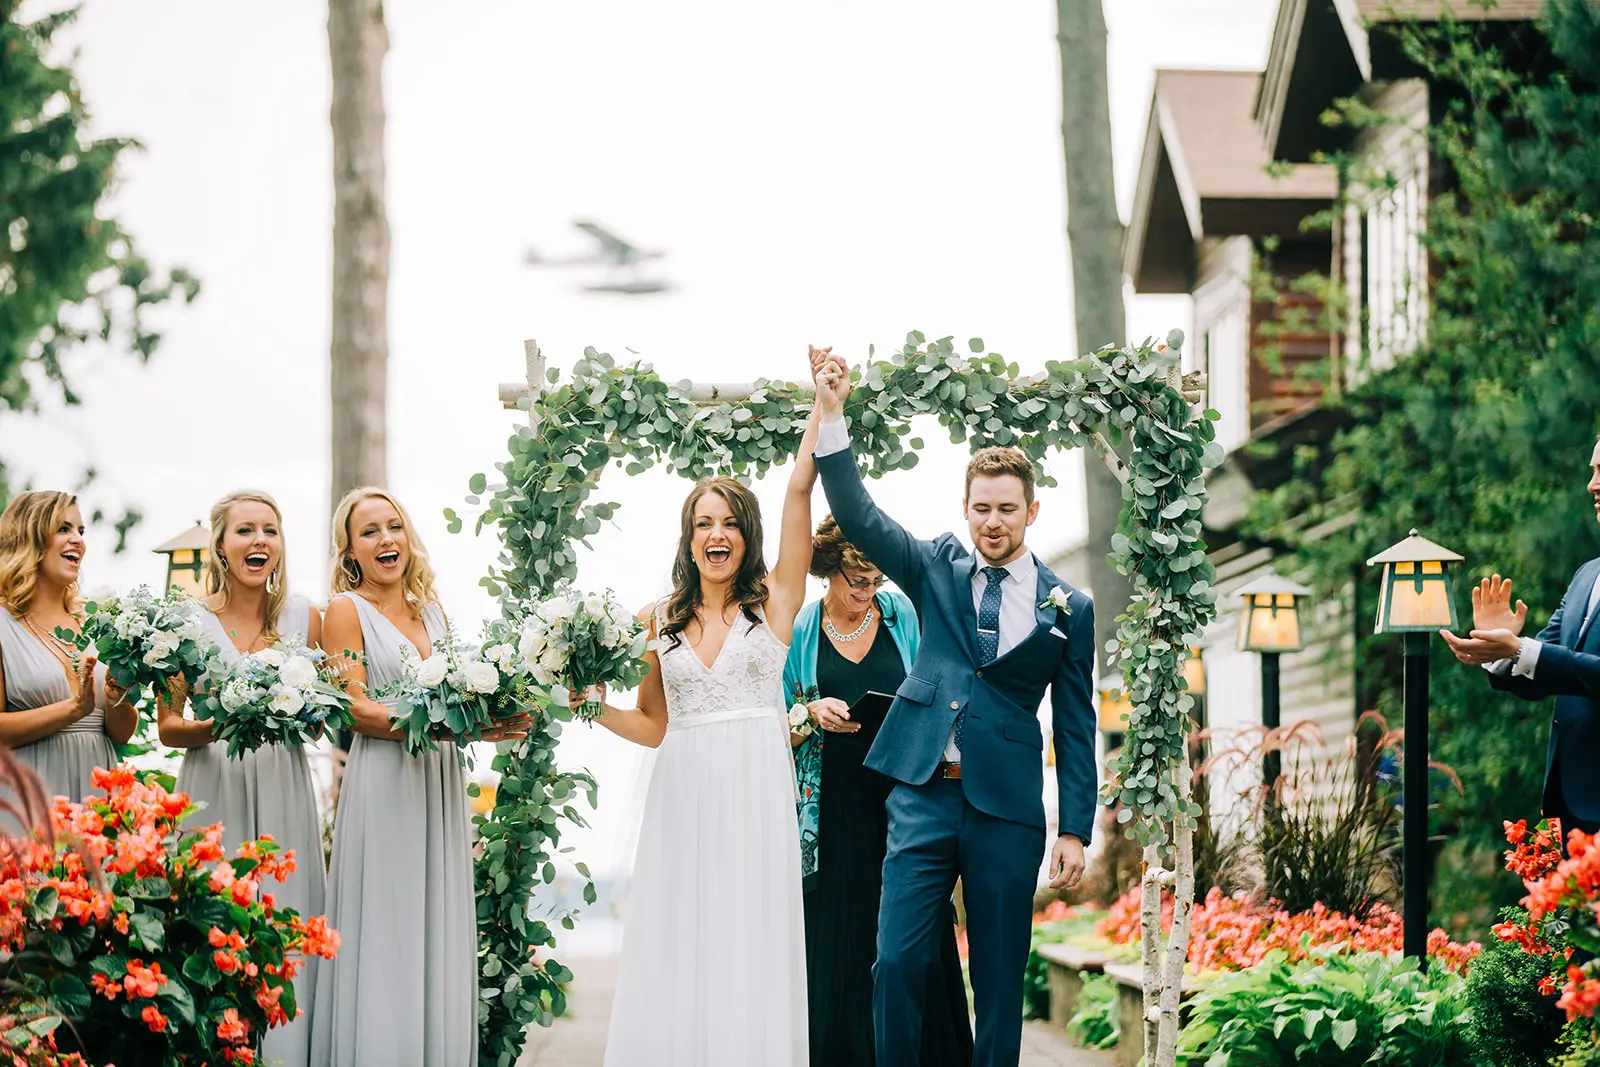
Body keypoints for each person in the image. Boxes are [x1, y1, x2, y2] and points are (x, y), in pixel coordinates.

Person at [809, 351, 1097, 1067]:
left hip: (1006, 808)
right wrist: (834, 416)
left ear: (1032, 510)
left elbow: (1076, 722)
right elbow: (860, 516)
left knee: (998, 982)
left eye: (1006, 508)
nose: (992, 520)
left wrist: (1076, 829)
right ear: (965, 509)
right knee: (897, 963)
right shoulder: (935, 564)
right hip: (921, 795)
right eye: (981, 507)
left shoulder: (1071, 607)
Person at [581, 379, 825, 1067]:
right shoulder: (654, 620)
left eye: (728, 523)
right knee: (682, 934)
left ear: (746, 535)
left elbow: (800, 494)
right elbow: (655, 723)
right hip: (683, 793)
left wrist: (821, 411)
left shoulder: (775, 601)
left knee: (749, 935)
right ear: (688, 539)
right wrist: (592, 706)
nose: (715, 534)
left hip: (754, 791)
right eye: (702, 523)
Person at [309, 488, 528, 1067]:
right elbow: (351, 708)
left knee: (434, 924)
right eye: (371, 531)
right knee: (386, 924)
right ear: (350, 549)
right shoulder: (344, 610)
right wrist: (444, 730)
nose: (387, 540)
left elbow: (457, 706)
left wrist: (490, 724)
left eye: (395, 526)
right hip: (383, 781)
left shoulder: (434, 614)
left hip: (437, 780)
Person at [785, 516, 972, 1067]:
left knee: (915, 938)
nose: (866, 592)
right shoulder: (799, 630)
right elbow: (778, 718)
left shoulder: (901, 615)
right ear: (829, 571)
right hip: (833, 810)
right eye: (855, 581)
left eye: (874, 582)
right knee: (842, 941)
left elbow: (933, 689)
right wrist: (811, 712)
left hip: (903, 802)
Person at [156, 489, 325, 1067]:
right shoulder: (185, 621)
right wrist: (224, 723)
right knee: (212, 928)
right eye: (246, 531)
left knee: (286, 923)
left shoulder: (306, 616)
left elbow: (330, 711)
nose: (260, 542)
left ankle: (286, 1054)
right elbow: (169, 729)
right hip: (213, 784)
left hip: (282, 779)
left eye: (270, 531)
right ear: (221, 546)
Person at [1442, 436, 1600, 836]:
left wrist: (1520, 648)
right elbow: (1541, 668)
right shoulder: (1587, 576)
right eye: (1592, 472)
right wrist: (1498, 648)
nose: (1592, 485)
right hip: (1573, 808)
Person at [0, 491, 136, 799]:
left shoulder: (96, 624)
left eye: (81, 531)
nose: (78, 540)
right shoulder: (3, 624)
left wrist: (120, 699)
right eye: (63, 529)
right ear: (28, 538)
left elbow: (121, 733)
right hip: (29, 795)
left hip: (98, 795)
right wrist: (72, 710)